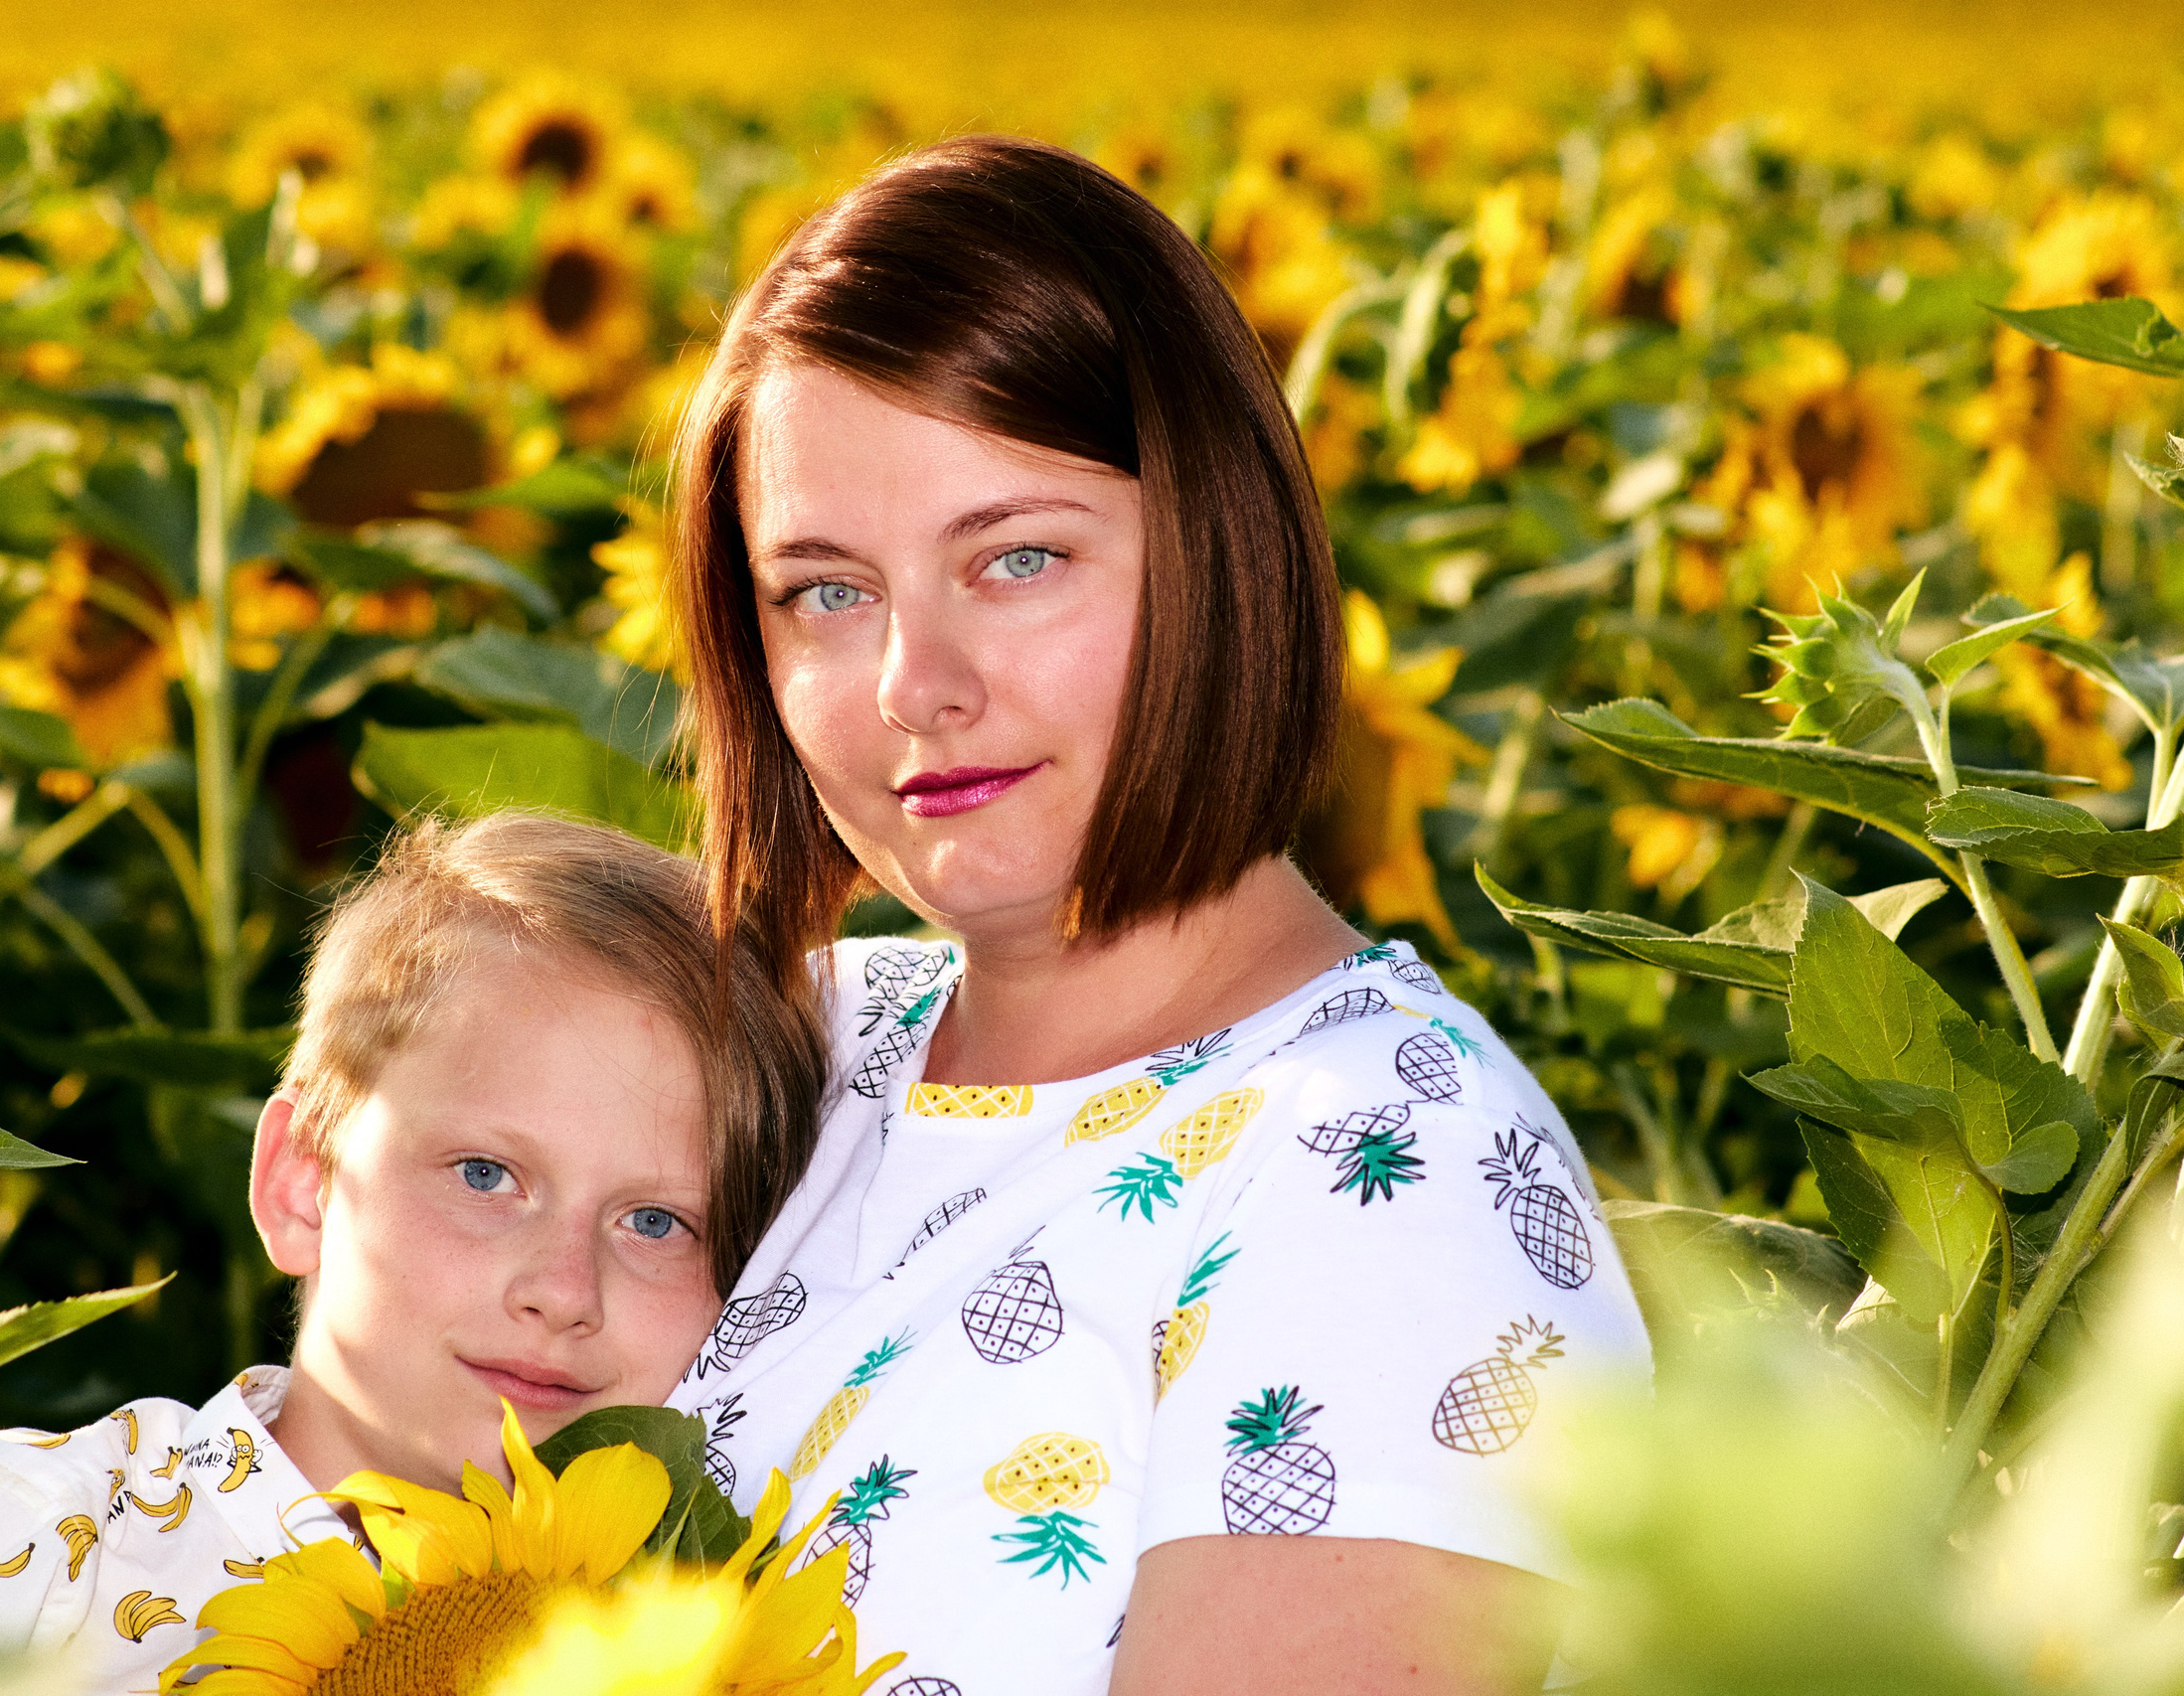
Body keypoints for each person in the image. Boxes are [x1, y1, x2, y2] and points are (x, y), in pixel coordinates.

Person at [667, 135, 1651, 1696]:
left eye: (1019, 558)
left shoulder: (1383, 1176)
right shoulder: (781, 1046)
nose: (915, 679)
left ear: (1220, 546)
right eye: (826, 592)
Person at [0, 812, 826, 1690]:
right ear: (302, 1185)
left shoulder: (692, 1624)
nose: (562, 1292)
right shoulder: (3, 1556)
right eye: (484, 1175)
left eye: (655, 1222)